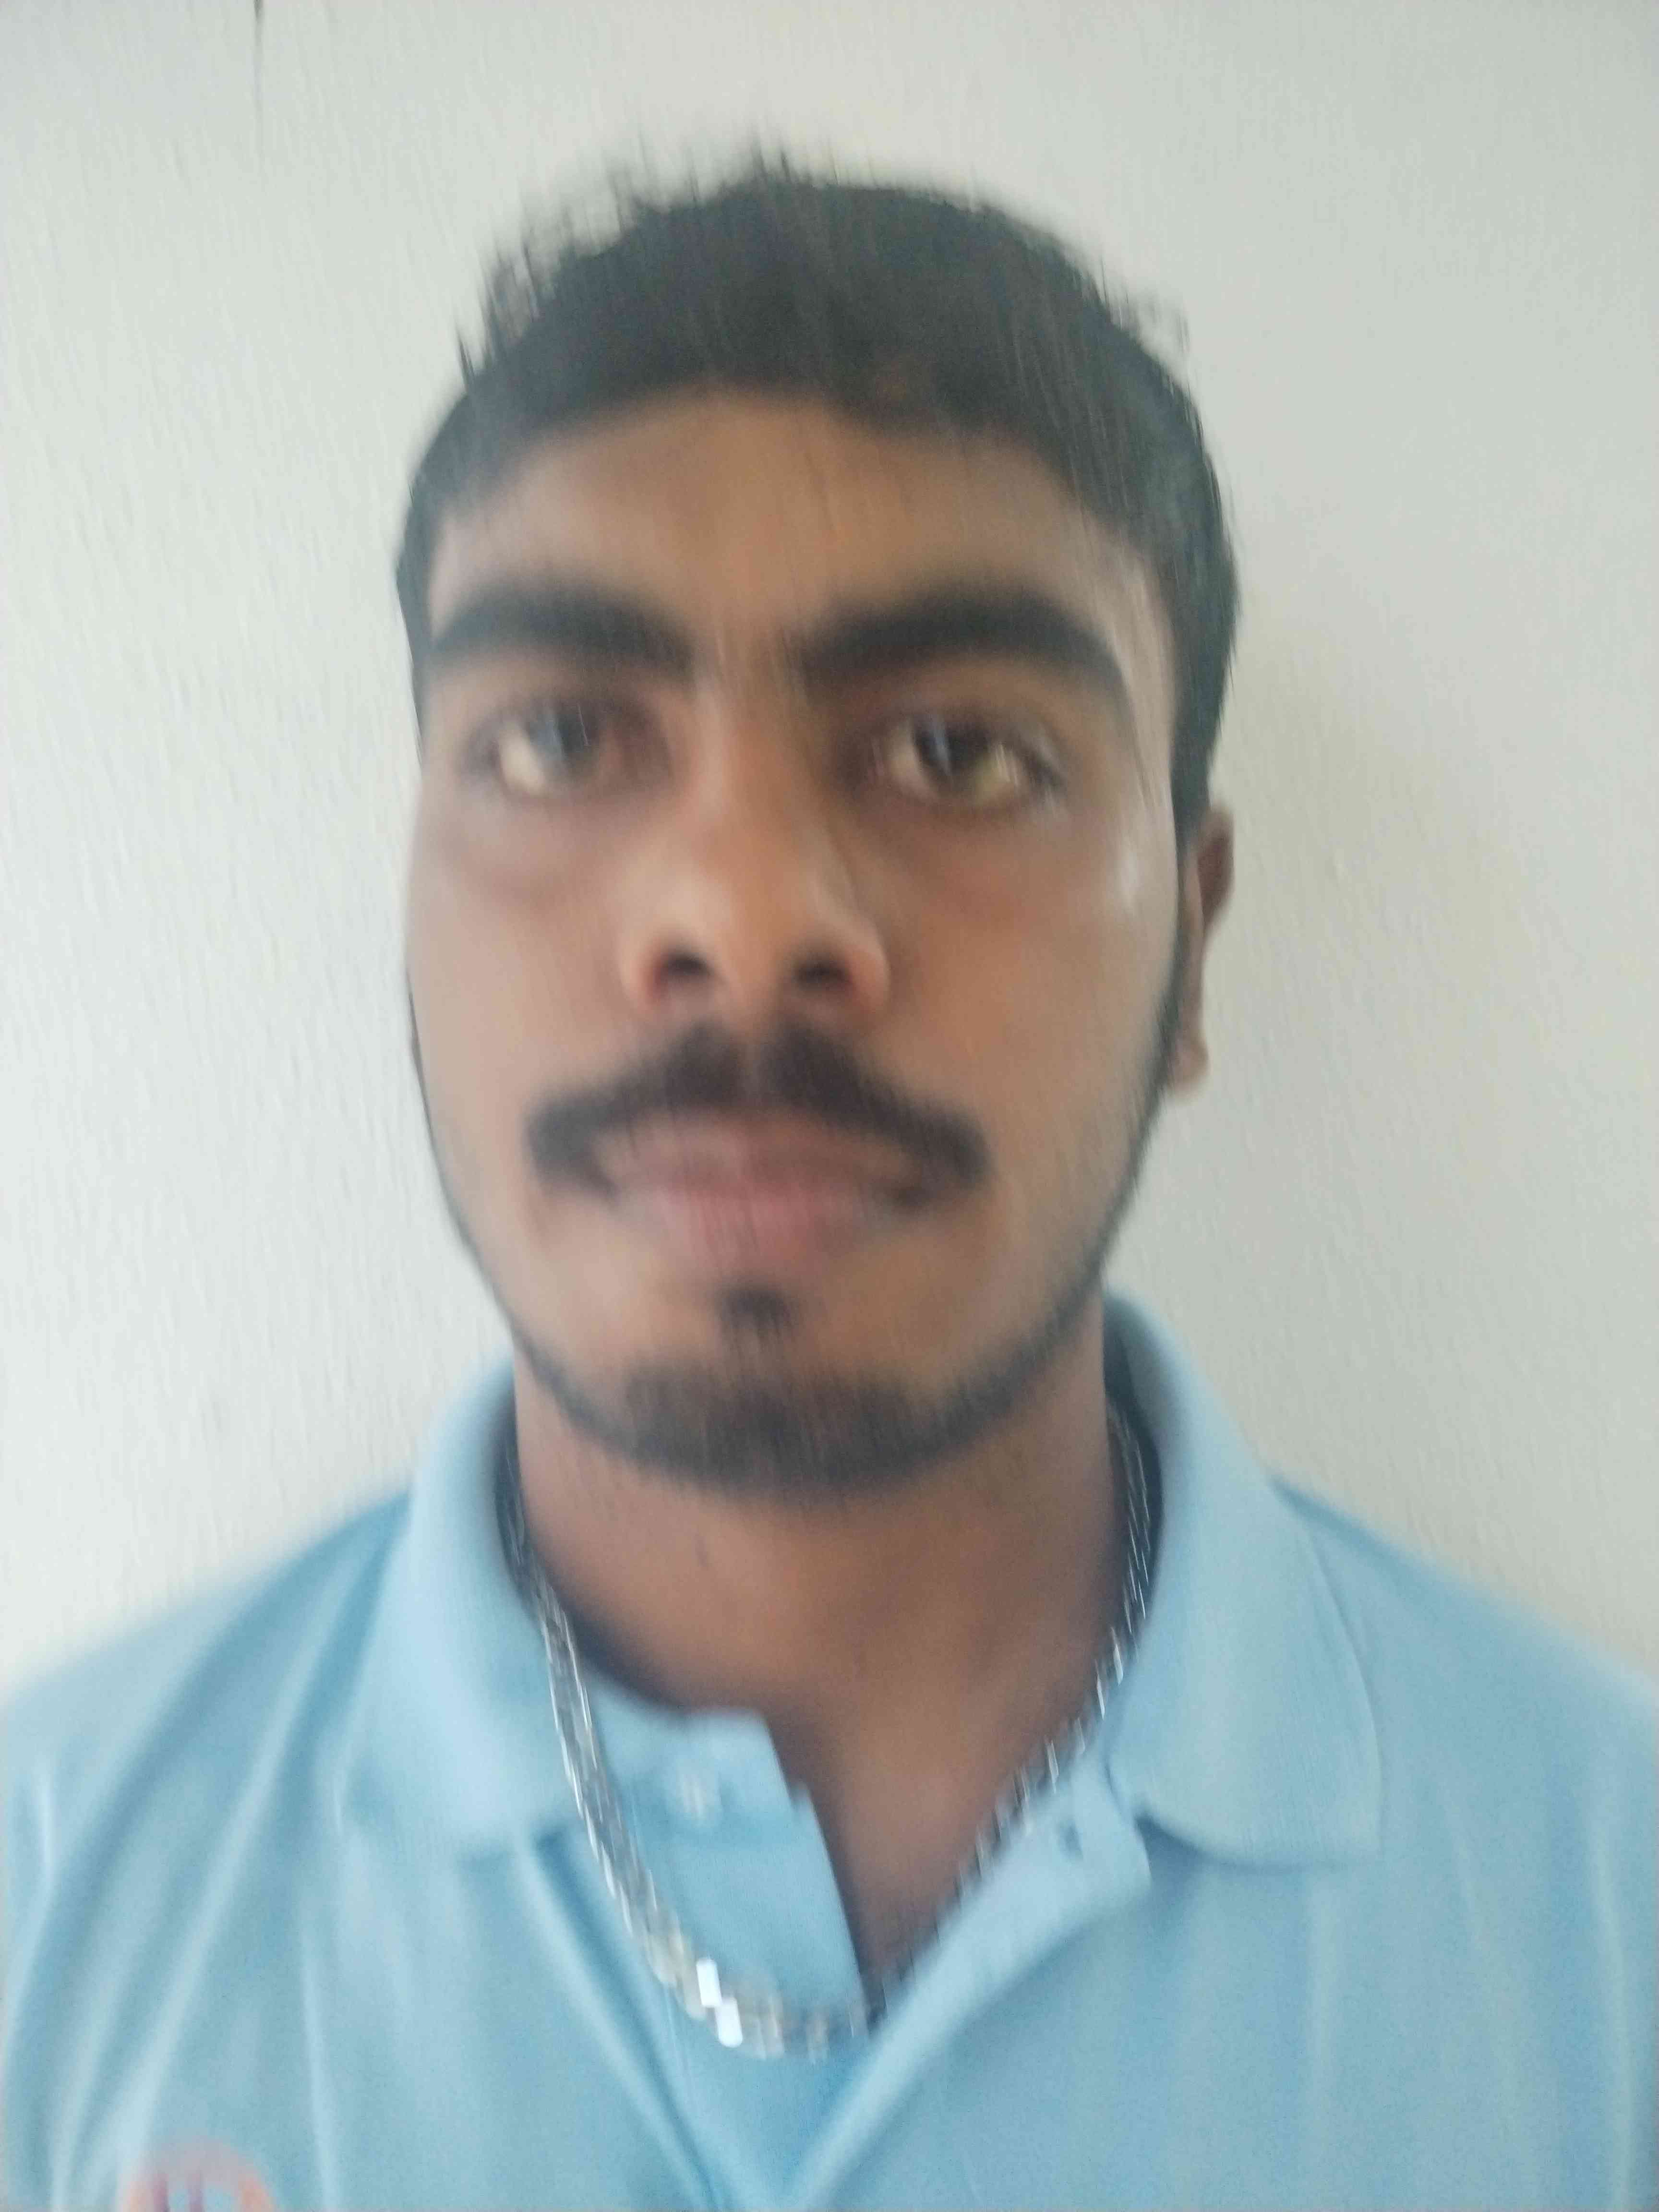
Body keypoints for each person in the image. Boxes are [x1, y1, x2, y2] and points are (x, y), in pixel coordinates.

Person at [3, 153, 1653, 2212]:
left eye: (962, 751)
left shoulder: (1612, 1919)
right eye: (559, 740)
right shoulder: (46, 1899)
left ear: (1195, 941)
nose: (746, 912)